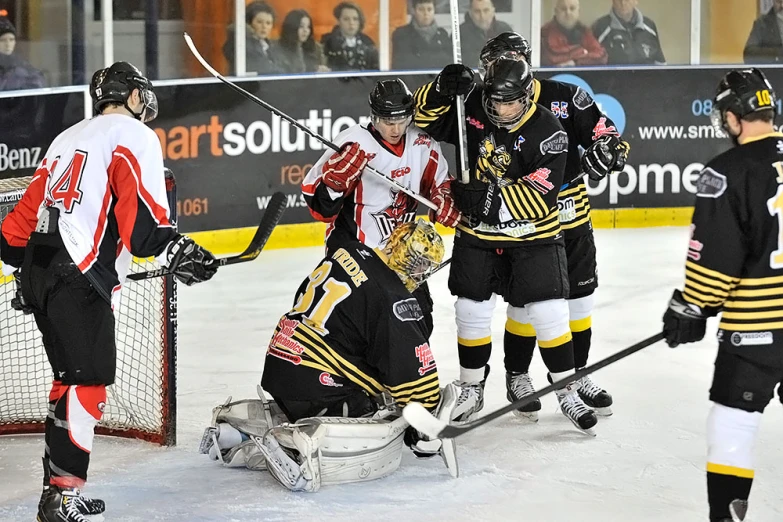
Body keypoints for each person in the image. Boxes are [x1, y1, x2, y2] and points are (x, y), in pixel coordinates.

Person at [0, 61, 217, 521]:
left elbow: (20, 220)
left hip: (42, 269)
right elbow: (141, 230)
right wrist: (178, 251)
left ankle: (56, 492)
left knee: (69, 380)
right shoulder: (134, 135)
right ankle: (62, 497)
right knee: (88, 384)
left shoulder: (68, 136)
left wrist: (19, 270)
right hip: (77, 274)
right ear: (134, 96)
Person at [200, 220, 472, 491]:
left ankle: (237, 433)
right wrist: (424, 426)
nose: (421, 273)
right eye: (419, 263)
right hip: (318, 386)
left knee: (355, 380)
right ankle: (297, 447)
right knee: (381, 420)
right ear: (404, 254)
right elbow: (413, 382)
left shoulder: (350, 250)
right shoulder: (392, 297)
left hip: (281, 364)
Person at [414, 57, 598, 433]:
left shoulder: (550, 130)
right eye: (495, 101)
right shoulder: (473, 107)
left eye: (510, 102)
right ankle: (471, 386)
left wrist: (485, 200)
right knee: (470, 308)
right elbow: (424, 119)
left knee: (547, 312)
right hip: (478, 237)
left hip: (534, 237)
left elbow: (540, 196)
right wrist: (440, 87)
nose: (500, 110)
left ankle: (565, 389)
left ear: (527, 94)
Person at [477, 32, 629, 421]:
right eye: (495, 65)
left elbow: (604, 131)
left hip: (569, 213)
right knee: (526, 303)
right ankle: (518, 375)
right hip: (523, 221)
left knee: (579, 300)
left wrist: (609, 148)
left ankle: (576, 375)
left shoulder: (564, 95)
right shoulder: (484, 105)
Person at [662, 68, 783, 522]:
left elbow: (715, 261)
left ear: (733, 118)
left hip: (756, 331)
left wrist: (691, 307)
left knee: (733, 424)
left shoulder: (725, 171)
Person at [302, 78, 460, 337]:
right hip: (354, 248)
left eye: (402, 120)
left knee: (418, 324)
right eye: (388, 122)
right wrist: (334, 184)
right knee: (352, 326)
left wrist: (445, 197)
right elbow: (321, 210)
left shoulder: (422, 142)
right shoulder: (354, 141)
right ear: (374, 117)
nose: (396, 129)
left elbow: (440, 183)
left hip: (403, 253)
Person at [591, 0, 665, 65]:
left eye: (627, 0)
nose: (623, 3)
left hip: (647, 80)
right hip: (613, 80)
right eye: (619, 0)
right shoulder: (600, 27)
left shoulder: (649, 27)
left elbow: (660, 65)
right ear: (613, 1)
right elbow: (592, 67)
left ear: (636, 1)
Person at [223, 1, 283, 75]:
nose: (264, 26)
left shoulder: (270, 46)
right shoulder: (240, 43)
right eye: (259, 22)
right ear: (249, 22)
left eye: (268, 23)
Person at [541, 0, 607, 67]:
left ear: (578, 12)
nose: (568, 12)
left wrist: (576, 62)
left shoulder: (584, 31)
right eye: (563, 9)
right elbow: (553, 57)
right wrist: (582, 51)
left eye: (572, 8)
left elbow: (601, 56)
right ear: (556, 11)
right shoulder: (545, 32)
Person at [392, 0, 452, 70]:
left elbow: (449, 63)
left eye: (429, 9)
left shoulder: (442, 35)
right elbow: (401, 64)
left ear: (434, 11)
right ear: (414, 11)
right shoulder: (401, 34)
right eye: (421, 9)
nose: (426, 13)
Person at [321, 2, 379, 71]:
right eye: (346, 19)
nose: (351, 23)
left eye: (355, 19)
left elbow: (376, 71)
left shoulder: (368, 43)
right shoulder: (328, 42)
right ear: (338, 21)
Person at [459, 0, 513, 67]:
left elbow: (513, 56)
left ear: (493, 11)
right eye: (477, 11)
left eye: (486, 10)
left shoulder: (505, 30)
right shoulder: (460, 33)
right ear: (470, 13)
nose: (482, 16)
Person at [277, 9, 329, 73]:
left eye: (308, 27)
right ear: (291, 27)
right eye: (301, 26)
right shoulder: (278, 48)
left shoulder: (316, 48)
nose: (305, 30)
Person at [0, 16, 45, 91]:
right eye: (2, 40)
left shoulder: (22, 65)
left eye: (11, 40)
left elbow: (38, 84)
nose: (8, 44)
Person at [743, 0, 783, 64]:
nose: (782, 6)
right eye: (778, 1)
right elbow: (749, 54)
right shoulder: (762, 23)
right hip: (773, 72)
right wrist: (777, 53)